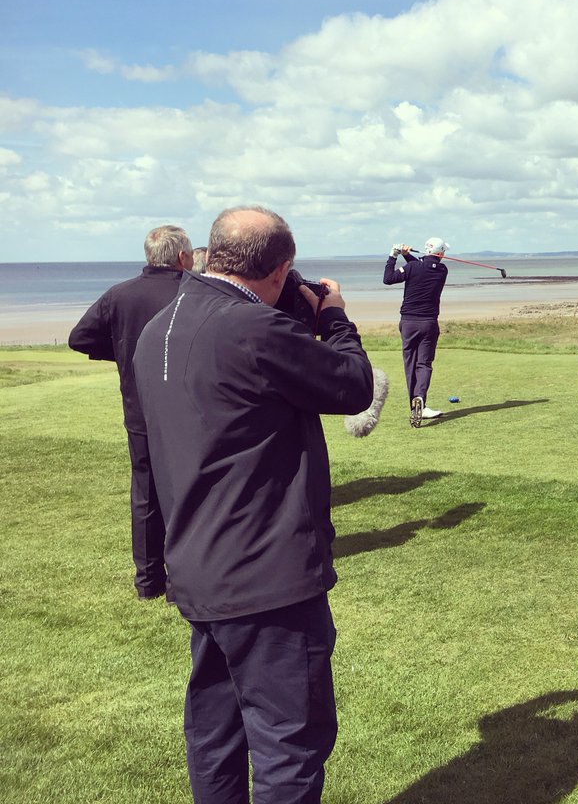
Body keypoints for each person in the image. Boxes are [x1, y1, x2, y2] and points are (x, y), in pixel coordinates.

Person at [132, 206, 374, 804]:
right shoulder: (254, 330)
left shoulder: (161, 326)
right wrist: (335, 314)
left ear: (211, 254)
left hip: (198, 563)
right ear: (281, 268)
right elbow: (352, 385)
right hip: (268, 576)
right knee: (289, 741)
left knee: (215, 734)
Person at [68, 224, 193, 600]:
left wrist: (125, 353)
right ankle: (184, 579)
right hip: (187, 409)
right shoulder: (190, 292)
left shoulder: (119, 294)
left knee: (146, 495)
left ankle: (148, 582)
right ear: (183, 257)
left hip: (139, 408)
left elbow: (80, 337)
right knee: (188, 493)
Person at [384, 237, 450, 427]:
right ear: (440, 253)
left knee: (410, 364)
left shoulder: (413, 268)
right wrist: (406, 255)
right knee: (424, 364)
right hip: (429, 323)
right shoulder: (443, 271)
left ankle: (415, 406)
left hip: (408, 323)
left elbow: (388, 279)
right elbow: (423, 267)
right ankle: (420, 398)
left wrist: (393, 255)